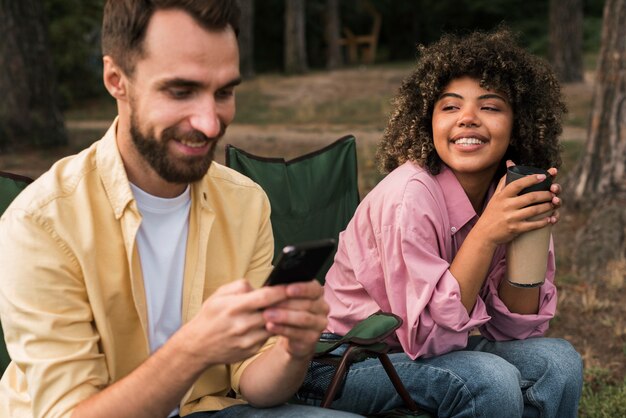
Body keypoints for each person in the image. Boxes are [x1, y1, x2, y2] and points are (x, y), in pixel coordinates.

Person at [0, 1, 362, 417]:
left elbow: (254, 381)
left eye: (223, 92)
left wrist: (294, 350)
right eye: (181, 91)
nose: (210, 123)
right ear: (116, 80)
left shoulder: (245, 202)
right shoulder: (42, 223)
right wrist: (194, 348)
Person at [297, 28, 583, 417]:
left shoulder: (505, 195)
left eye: (491, 107)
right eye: (450, 107)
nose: (468, 119)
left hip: (425, 357)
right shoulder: (408, 195)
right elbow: (427, 337)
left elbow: (515, 331)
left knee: (559, 364)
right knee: (489, 378)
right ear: (426, 122)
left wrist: (525, 238)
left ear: (519, 123)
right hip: (342, 362)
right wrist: (485, 234)